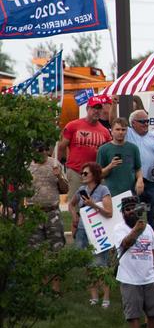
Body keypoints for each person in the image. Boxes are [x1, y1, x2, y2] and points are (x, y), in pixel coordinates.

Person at [114, 196, 154, 328]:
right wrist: (135, 230)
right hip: (129, 277)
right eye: (127, 210)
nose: (130, 212)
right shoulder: (119, 228)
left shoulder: (148, 228)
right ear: (122, 212)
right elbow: (124, 244)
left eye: (133, 209)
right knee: (133, 312)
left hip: (149, 275)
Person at [69, 161, 113, 307]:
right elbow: (71, 204)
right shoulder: (81, 189)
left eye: (86, 173)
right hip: (82, 230)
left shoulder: (103, 190)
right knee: (87, 264)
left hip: (97, 231)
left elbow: (109, 213)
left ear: (95, 174)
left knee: (100, 265)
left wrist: (93, 205)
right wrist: (74, 216)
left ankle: (106, 298)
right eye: (82, 173)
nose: (83, 175)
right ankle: (93, 296)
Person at [27, 142, 69, 292]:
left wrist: (59, 177)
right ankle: (39, 286)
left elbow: (65, 189)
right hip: (33, 213)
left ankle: (56, 288)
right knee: (35, 251)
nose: (44, 153)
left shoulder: (55, 164)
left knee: (56, 249)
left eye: (46, 150)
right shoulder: (27, 166)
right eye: (40, 150)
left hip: (52, 212)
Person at [58, 96, 111, 201]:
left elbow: (107, 153)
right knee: (74, 202)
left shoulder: (105, 132)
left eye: (99, 108)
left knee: (95, 203)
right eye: (94, 108)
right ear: (87, 109)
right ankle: (74, 217)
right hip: (76, 171)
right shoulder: (73, 125)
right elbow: (61, 146)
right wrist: (61, 165)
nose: (96, 111)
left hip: (95, 174)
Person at [126, 110, 154, 225]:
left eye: (147, 121)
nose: (146, 124)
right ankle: (134, 235)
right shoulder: (128, 133)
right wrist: (113, 104)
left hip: (151, 180)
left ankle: (153, 235)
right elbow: (113, 121)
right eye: (142, 121)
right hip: (133, 180)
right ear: (133, 123)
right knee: (133, 210)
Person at [97, 117, 143, 197]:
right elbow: (99, 175)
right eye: (117, 129)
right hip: (111, 194)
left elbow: (138, 169)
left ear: (126, 131)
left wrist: (140, 180)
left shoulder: (133, 148)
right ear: (111, 131)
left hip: (130, 193)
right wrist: (110, 166)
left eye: (123, 129)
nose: (120, 132)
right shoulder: (103, 149)